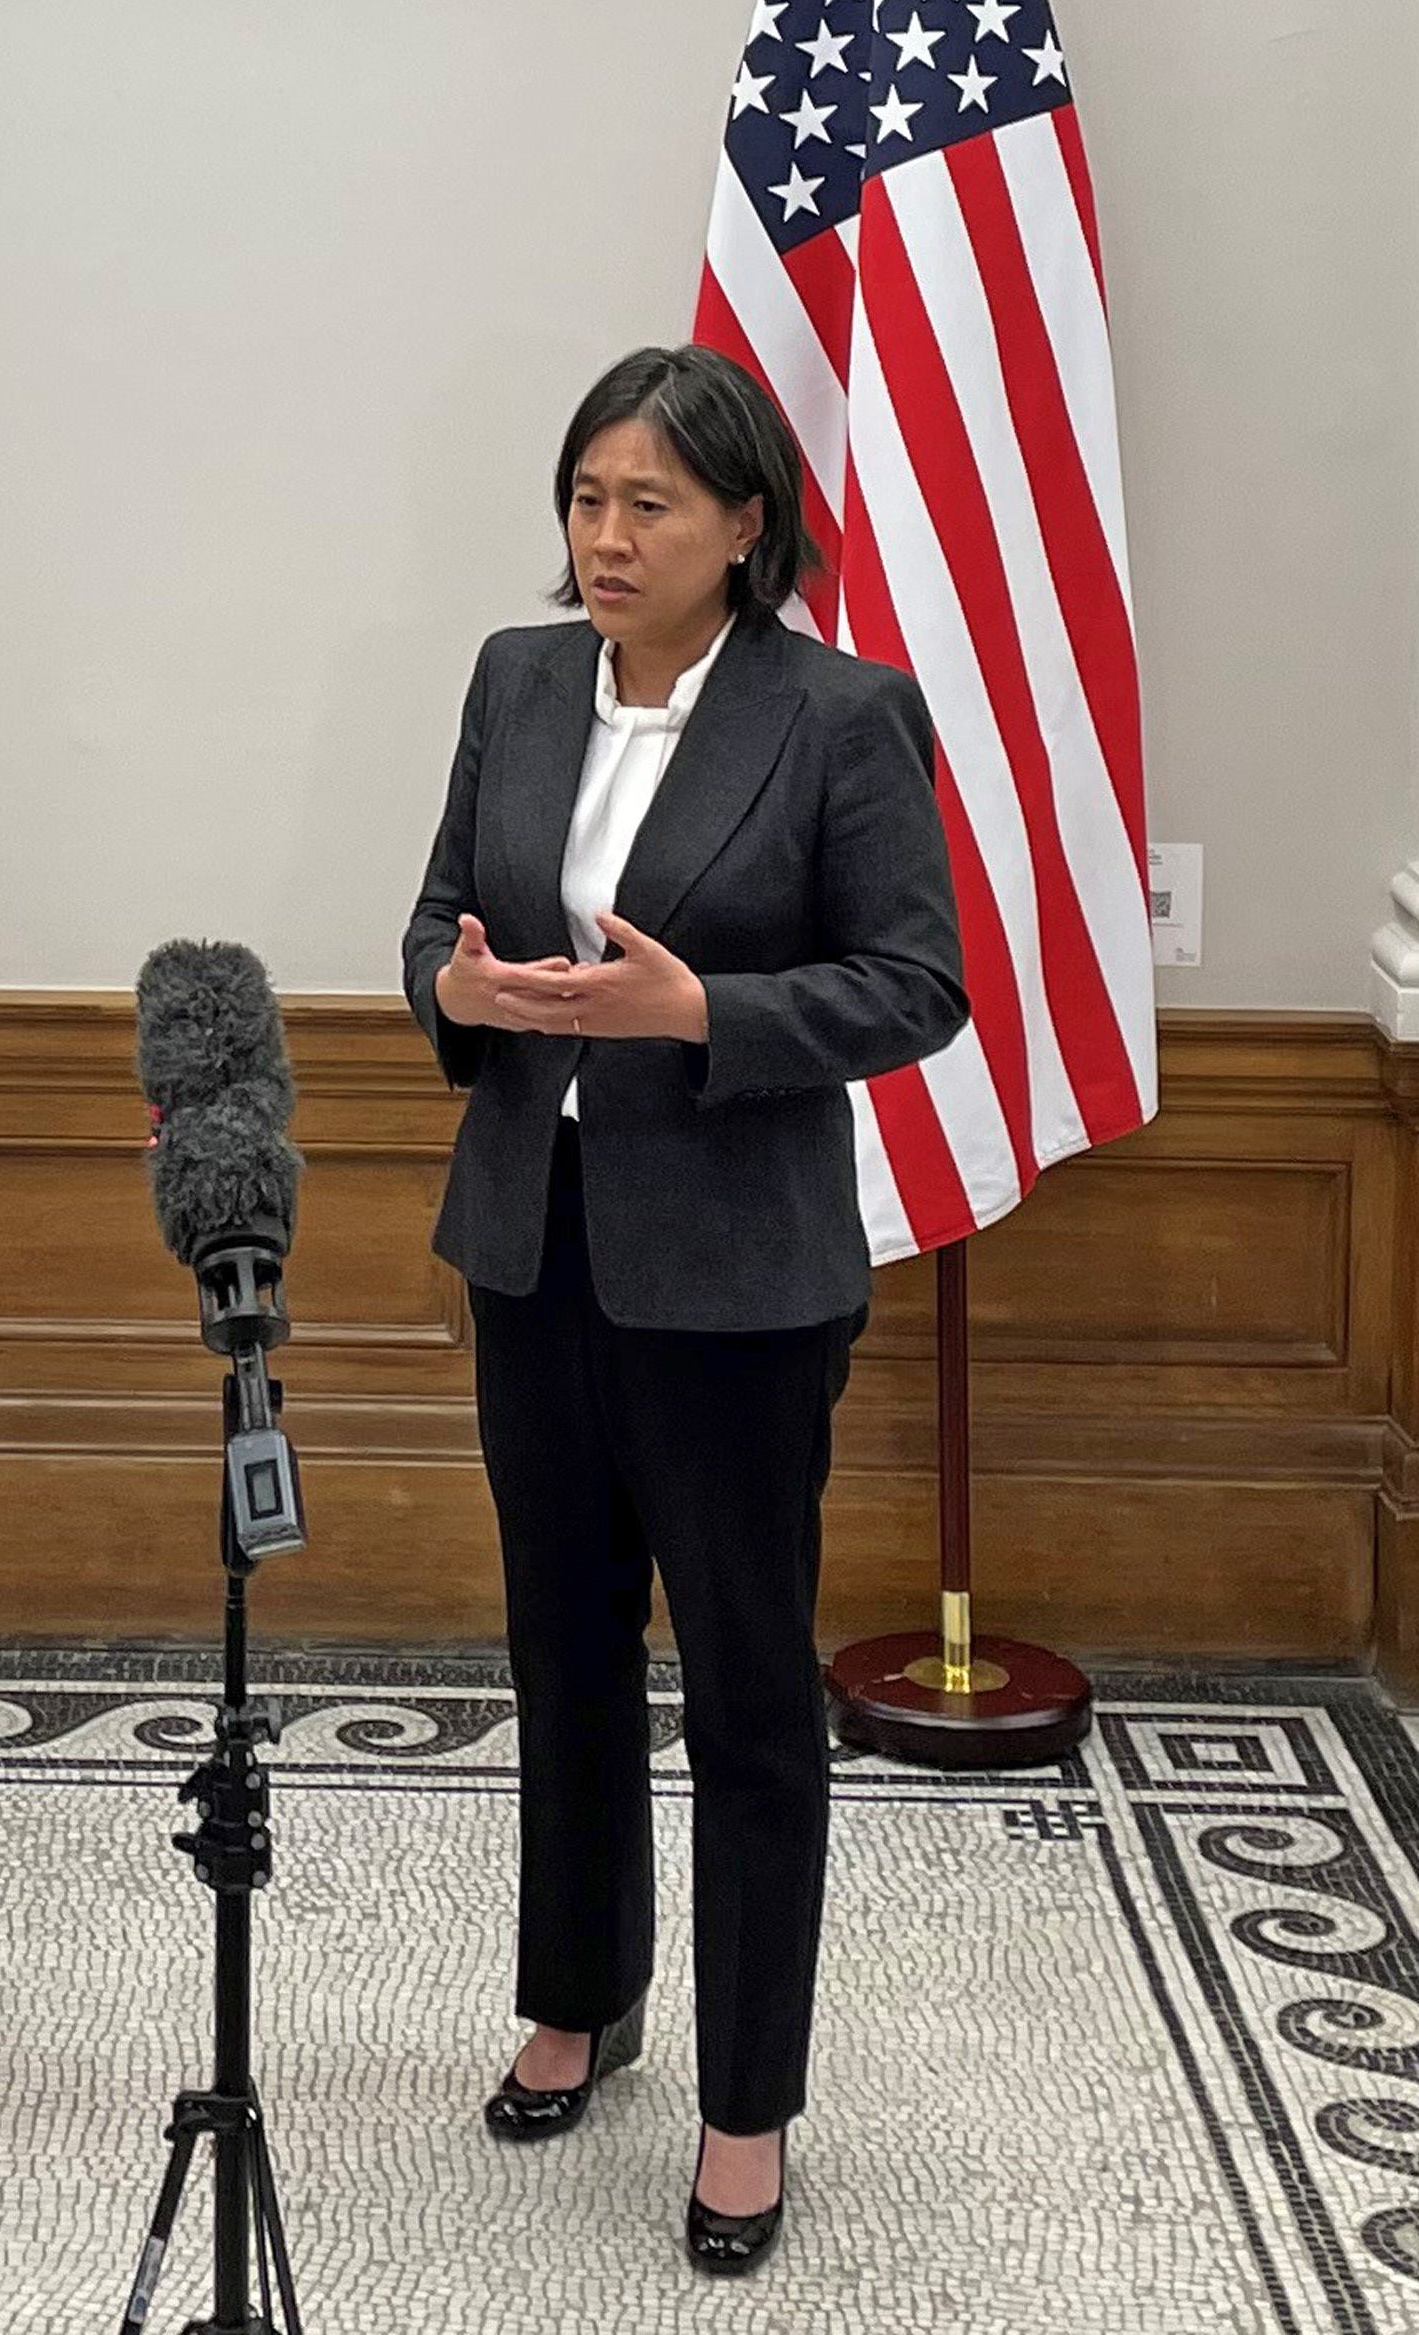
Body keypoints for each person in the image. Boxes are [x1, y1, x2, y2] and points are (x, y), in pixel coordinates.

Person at [402, 342, 967, 2276]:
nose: (609, 534)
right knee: (561, 1651)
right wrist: (460, 998)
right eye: (586, 497)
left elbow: (916, 986)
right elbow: (431, 924)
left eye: (650, 502)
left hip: (736, 1275)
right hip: (531, 1241)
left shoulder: (839, 715)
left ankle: (749, 2109)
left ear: (746, 524)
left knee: (741, 1693)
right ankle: (581, 1999)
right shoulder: (516, 677)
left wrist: (704, 1011)